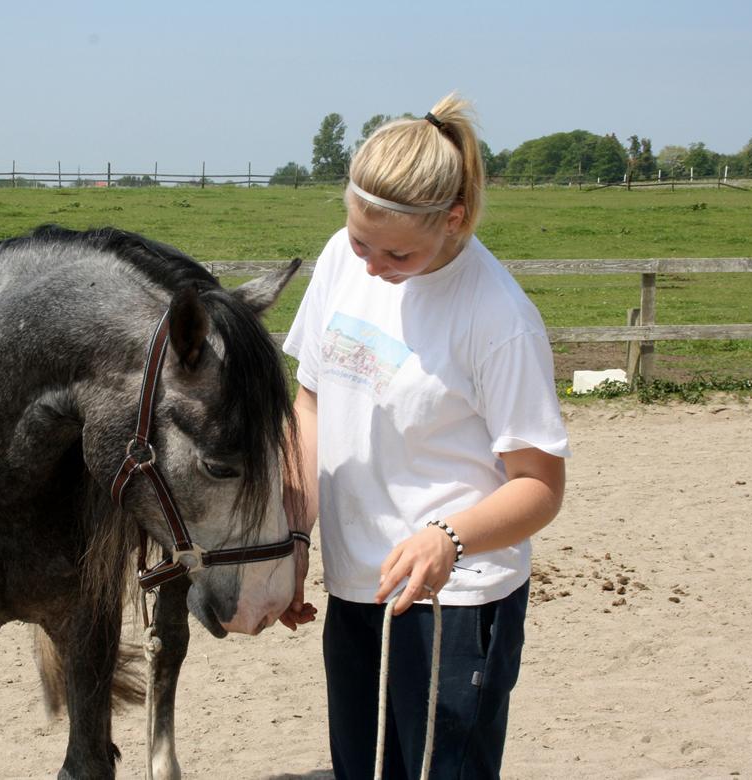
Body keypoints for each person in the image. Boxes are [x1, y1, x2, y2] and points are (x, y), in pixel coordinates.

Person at [279, 93, 570, 779]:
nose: (372, 265)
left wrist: (450, 538)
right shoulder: (341, 261)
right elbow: (311, 404)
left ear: (455, 220)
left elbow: (540, 486)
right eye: (360, 241)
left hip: (454, 602)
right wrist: (295, 534)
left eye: (397, 252)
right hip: (355, 584)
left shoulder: (498, 318)